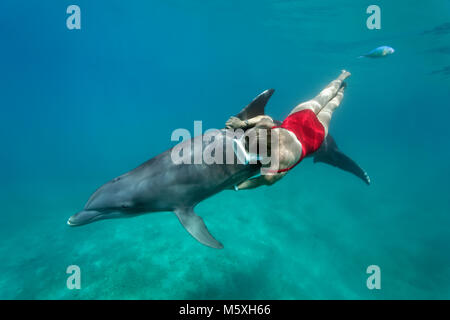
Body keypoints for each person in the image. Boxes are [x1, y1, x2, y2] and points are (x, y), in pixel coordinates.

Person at [225, 70, 351, 190]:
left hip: (310, 133)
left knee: (331, 106)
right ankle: (341, 79)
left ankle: (341, 87)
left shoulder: (274, 169)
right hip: (304, 125)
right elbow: (265, 119)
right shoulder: (269, 134)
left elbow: (259, 181)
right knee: (326, 101)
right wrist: (242, 123)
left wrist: (236, 187)